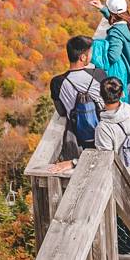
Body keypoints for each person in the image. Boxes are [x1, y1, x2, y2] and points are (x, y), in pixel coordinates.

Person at [50, 36, 105, 165]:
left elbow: (62, 112)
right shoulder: (98, 74)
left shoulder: (57, 82)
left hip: (79, 137)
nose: (91, 56)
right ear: (83, 57)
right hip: (102, 133)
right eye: (90, 53)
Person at [92, 0, 130, 104]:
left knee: (125, 103)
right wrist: (102, 8)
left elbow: (113, 55)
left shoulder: (116, 33)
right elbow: (117, 19)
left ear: (113, 15)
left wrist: (99, 52)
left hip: (124, 72)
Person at [93, 76, 130, 170]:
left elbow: (105, 158)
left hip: (118, 171)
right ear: (122, 94)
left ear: (101, 96)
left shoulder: (103, 127)